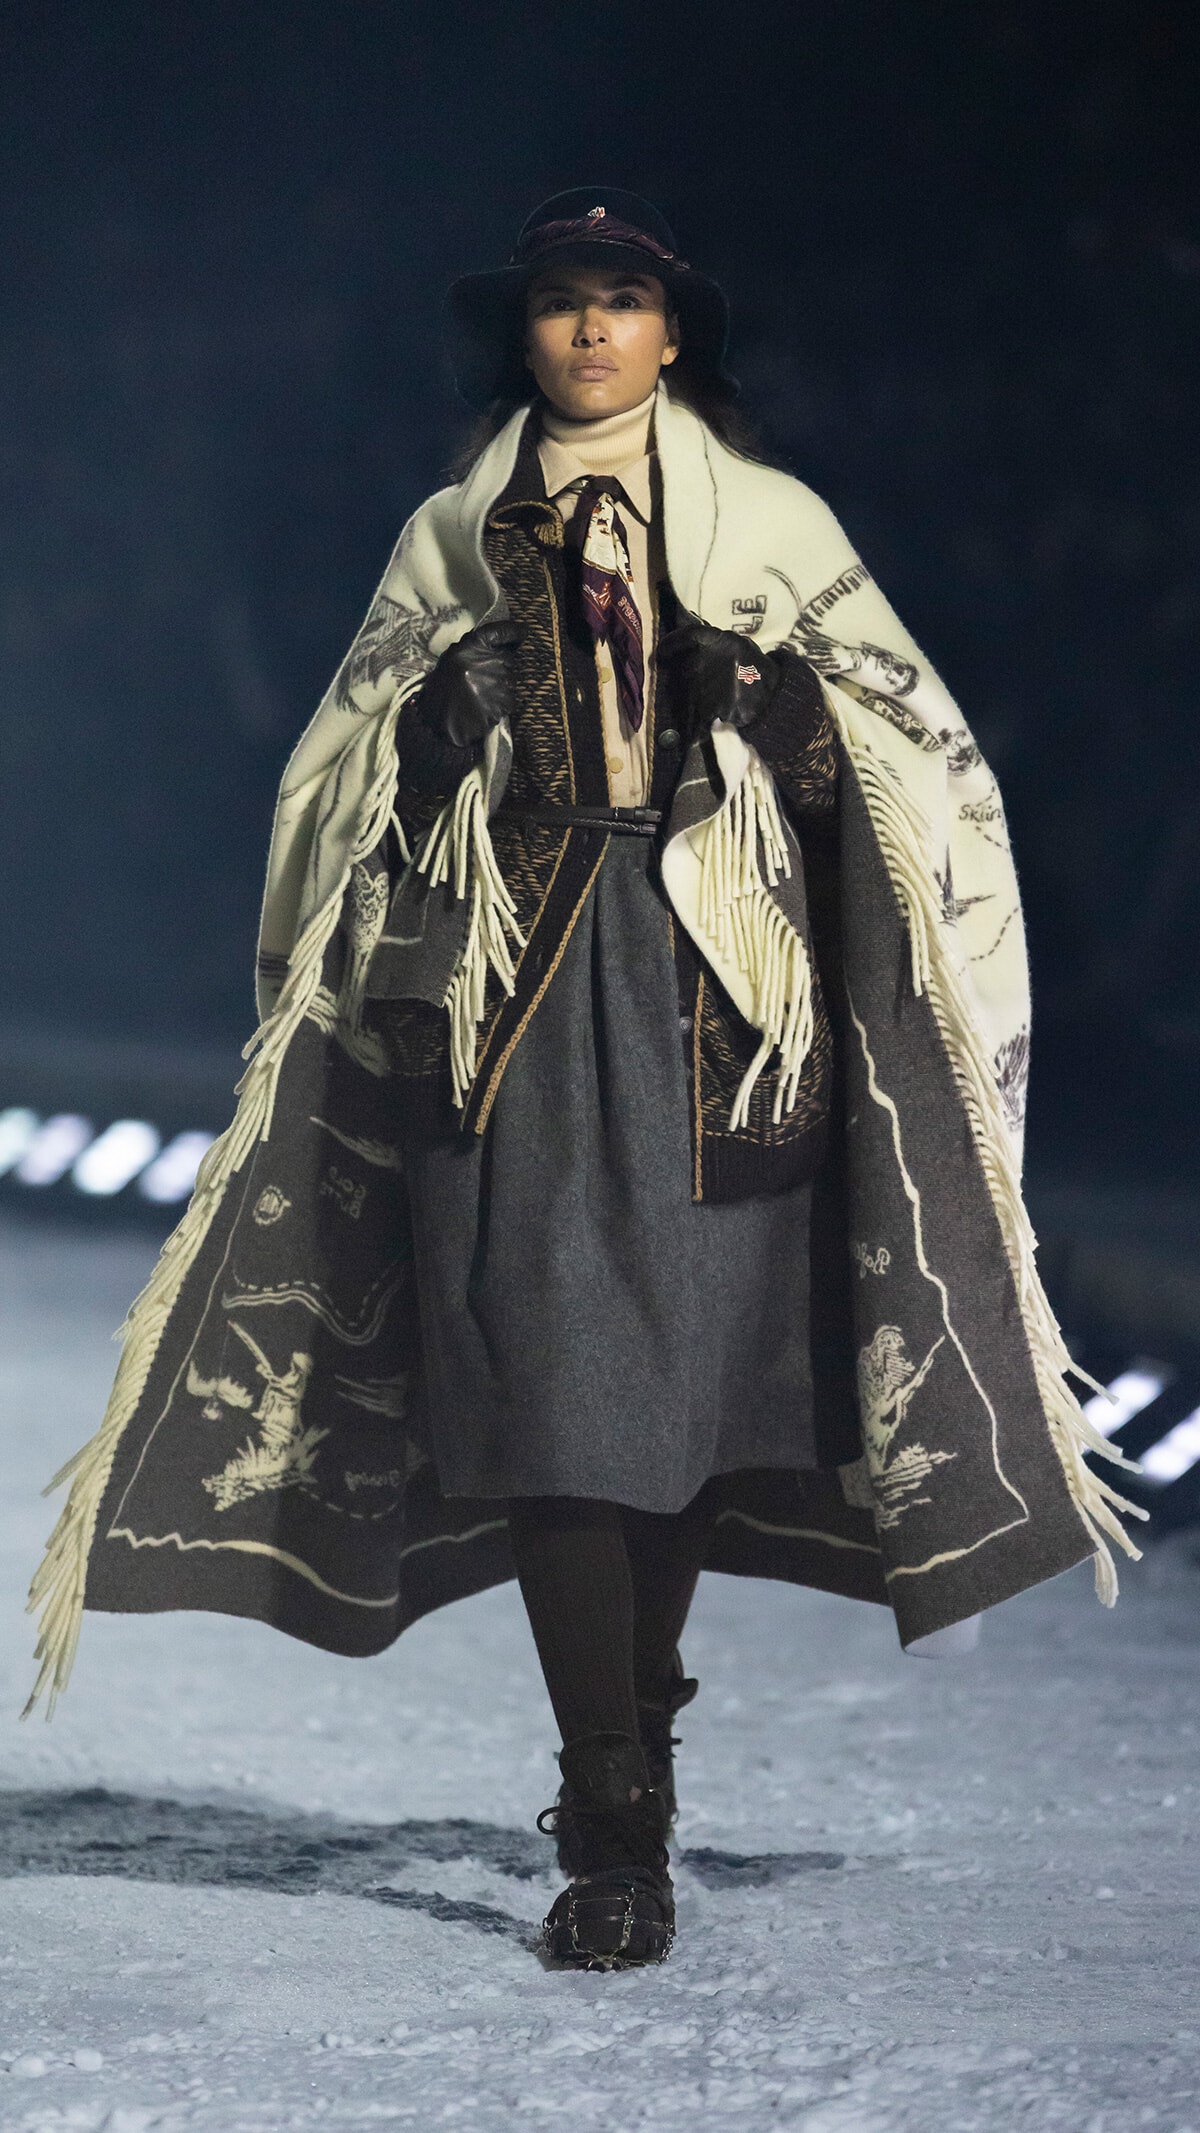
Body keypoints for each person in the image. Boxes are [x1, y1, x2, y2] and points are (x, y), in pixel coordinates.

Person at [29, 188, 1138, 1974]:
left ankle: (640, 1761)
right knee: (557, 1398)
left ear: (674, 331)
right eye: (564, 301)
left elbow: (921, 764)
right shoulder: (448, 538)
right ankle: (610, 1819)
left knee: (675, 1408)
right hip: (510, 1011)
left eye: (624, 298)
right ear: (525, 332)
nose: (595, 329)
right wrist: (433, 733)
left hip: (720, 1007)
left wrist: (778, 716)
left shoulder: (772, 526)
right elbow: (334, 783)